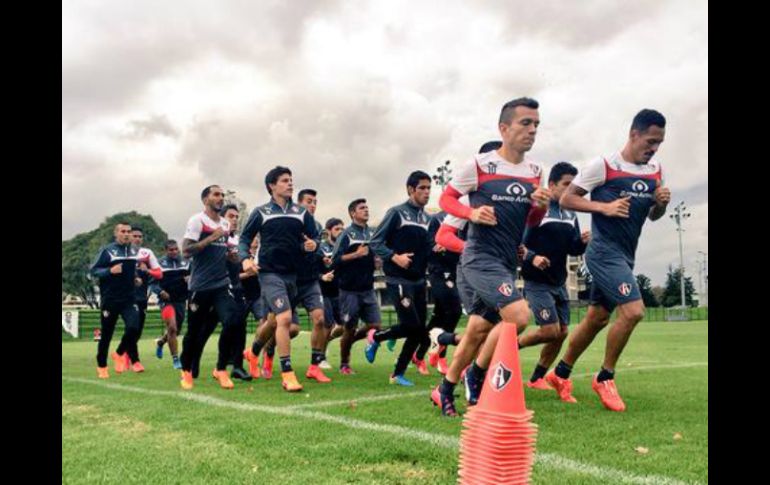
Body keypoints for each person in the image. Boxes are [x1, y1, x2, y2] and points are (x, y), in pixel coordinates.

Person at [547, 109, 670, 412]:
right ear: (634, 134)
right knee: (633, 312)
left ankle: (560, 374)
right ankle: (605, 377)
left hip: (626, 256)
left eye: (659, 143)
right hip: (603, 252)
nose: (654, 148)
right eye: (651, 141)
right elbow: (567, 199)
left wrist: (660, 205)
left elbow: (654, 217)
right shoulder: (602, 166)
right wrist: (604, 208)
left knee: (597, 319)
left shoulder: (655, 170)